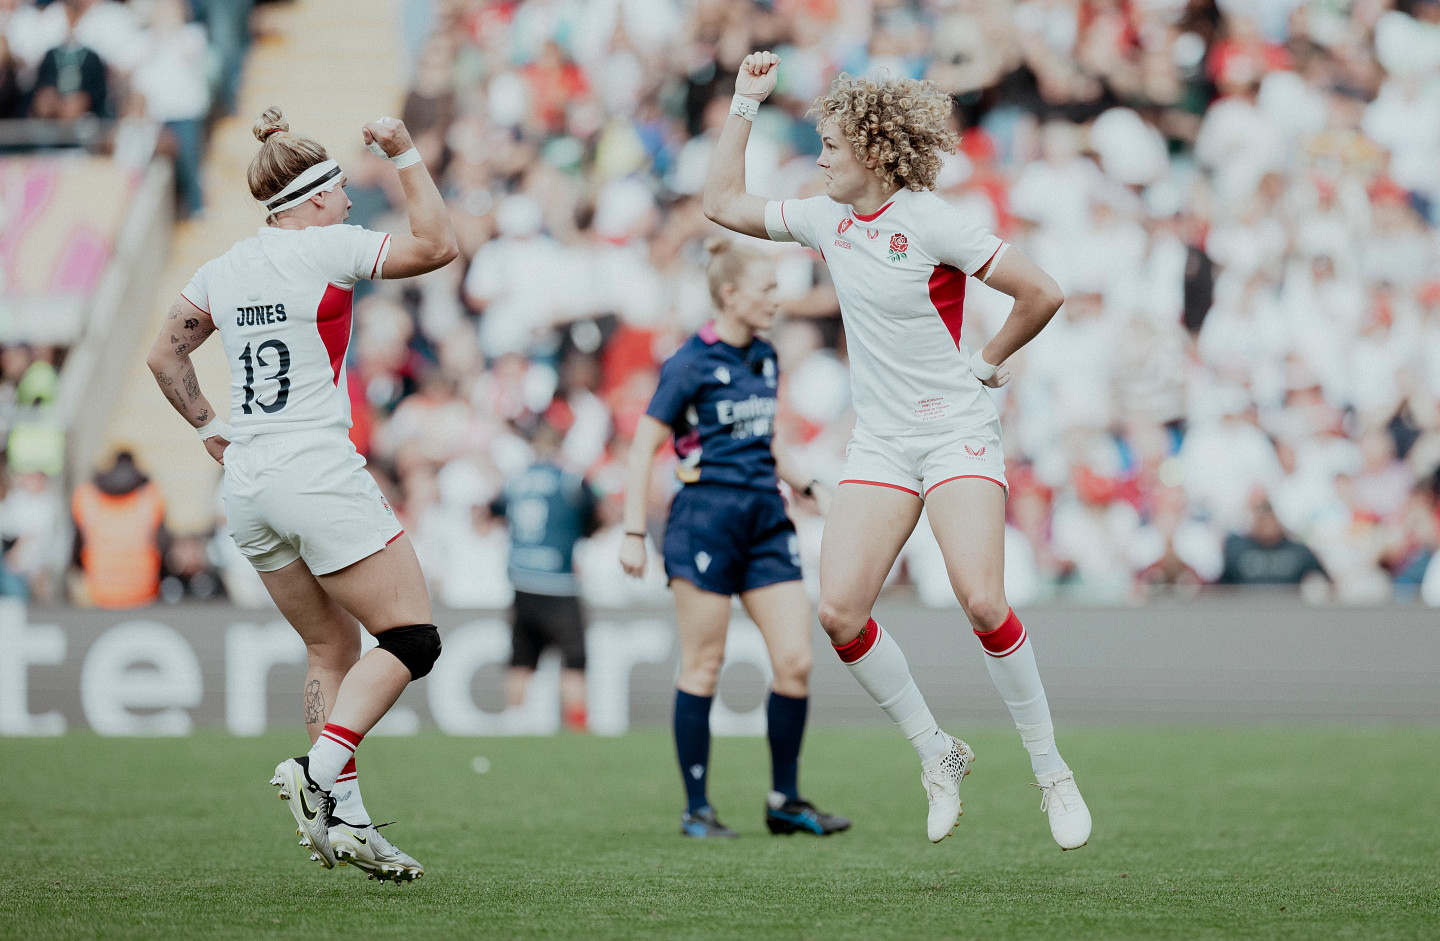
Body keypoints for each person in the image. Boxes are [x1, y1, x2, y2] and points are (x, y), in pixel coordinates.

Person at [702, 53, 1091, 849]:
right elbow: (720, 202)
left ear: (874, 155)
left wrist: (984, 366)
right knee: (840, 611)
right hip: (882, 441)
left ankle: (1050, 769)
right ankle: (937, 752)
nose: (819, 161)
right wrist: (745, 99)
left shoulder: (933, 220)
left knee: (982, 600)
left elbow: (1043, 292)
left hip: (954, 430)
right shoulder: (823, 217)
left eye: (832, 149)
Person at [145, 107, 458, 881]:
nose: (351, 202)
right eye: (344, 190)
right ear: (314, 198)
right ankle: (321, 767)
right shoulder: (329, 246)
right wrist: (406, 153)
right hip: (314, 469)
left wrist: (209, 427)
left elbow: (164, 355)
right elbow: (439, 245)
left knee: (330, 647)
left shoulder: (221, 267)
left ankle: (343, 816)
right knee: (413, 638)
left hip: (247, 481)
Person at [620, 237, 851, 839]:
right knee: (704, 664)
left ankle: (785, 800)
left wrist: (811, 485)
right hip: (704, 518)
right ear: (730, 294)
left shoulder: (766, 357)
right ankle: (697, 808)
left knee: (796, 663)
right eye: (768, 289)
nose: (779, 299)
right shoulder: (689, 363)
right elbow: (645, 443)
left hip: (765, 520)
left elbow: (764, 440)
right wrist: (632, 530)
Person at [491, 414, 600, 732]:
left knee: (522, 656)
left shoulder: (516, 479)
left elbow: (494, 510)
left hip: (522, 580)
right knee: (574, 658)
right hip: (559, 582)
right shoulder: (570, 480)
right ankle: (577, 724)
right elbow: (593, 514)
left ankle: (514, 719)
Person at [70, 451, 164, 608]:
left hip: (99, 591)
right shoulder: (150, 494)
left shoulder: (86, 495)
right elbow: (164, 544)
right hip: (144, 590)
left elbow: (75, 547)